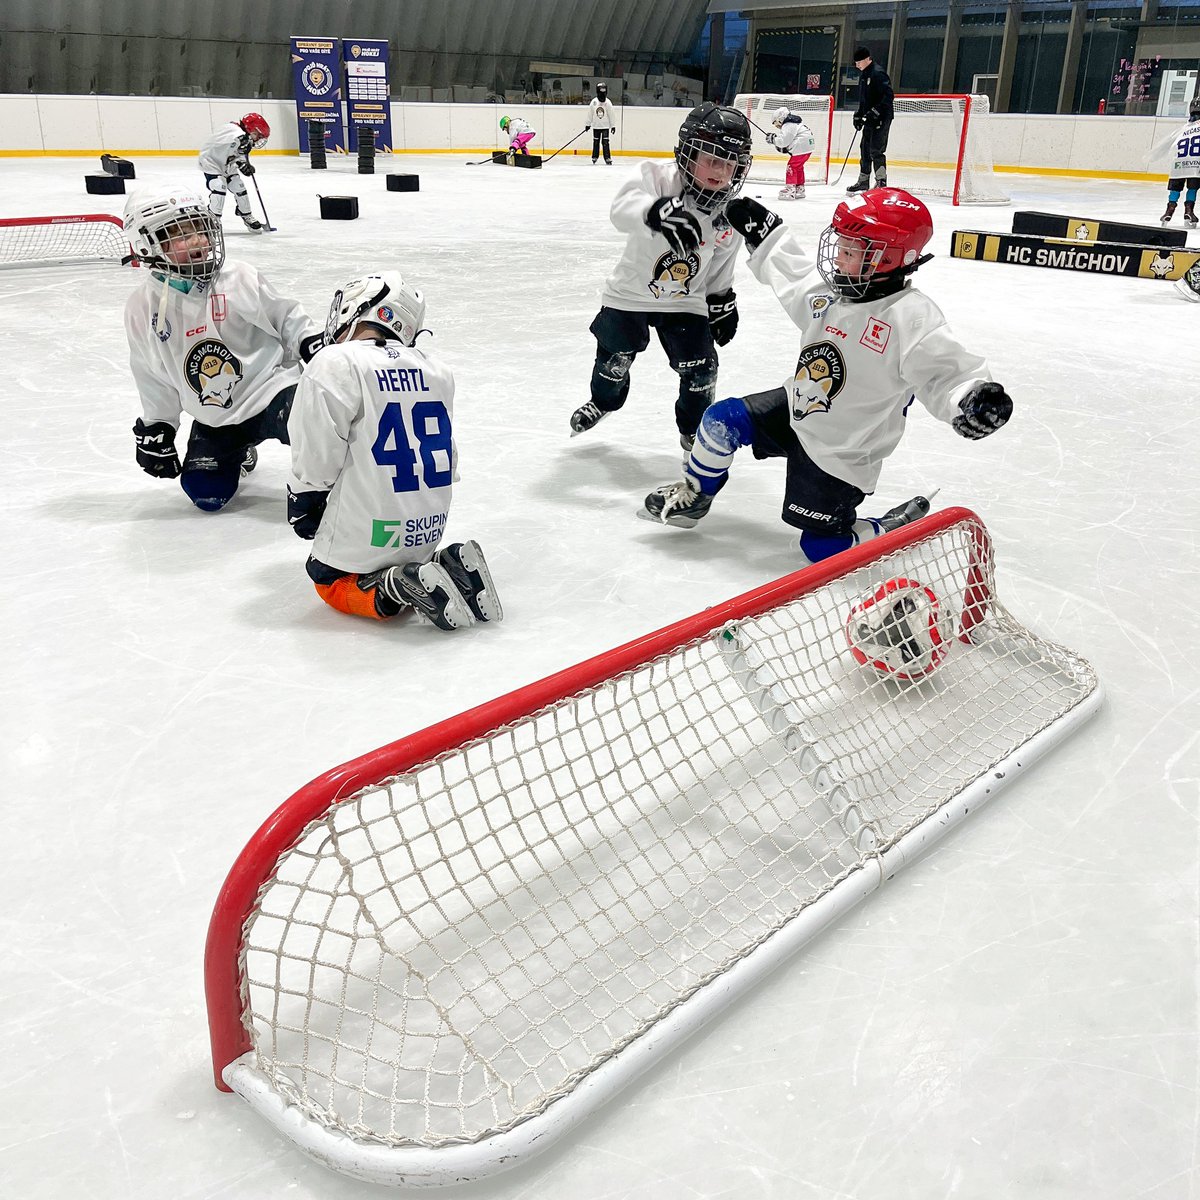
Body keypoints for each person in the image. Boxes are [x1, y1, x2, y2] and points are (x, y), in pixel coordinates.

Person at [639, 189, 1013, 567]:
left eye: (853, 251)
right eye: (841, 246)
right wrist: (763, 233)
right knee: (721, 421)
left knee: (822, 549)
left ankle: (886, 527)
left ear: (891, 258)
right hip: (796, 409)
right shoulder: (833, 296)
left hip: (842, 449)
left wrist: (971, 396)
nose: (839, 257)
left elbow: (946, 372)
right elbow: (795, 274)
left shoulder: (910, 316)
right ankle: (696, 494)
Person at [286, 272, 502, 630]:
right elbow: (450, 461)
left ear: (359, 309)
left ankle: (393, 586)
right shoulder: (436, 369)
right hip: (427, 529)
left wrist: (304, 497)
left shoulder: (337, 362)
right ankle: (447, 562)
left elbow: (317, 457)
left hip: (371, 534)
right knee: (403, 550)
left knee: (326, 580)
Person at [123, 185, 321, 513]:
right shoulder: (142, 308)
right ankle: (239, 448)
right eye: (180, 234)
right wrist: (159, 425)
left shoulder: (237, 276)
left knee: (314, 425)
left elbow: (285, 315)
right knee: (206, 493)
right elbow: (150, 372)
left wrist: (307, 339)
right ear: (147, 244)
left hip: (272, 391)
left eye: (200, 228)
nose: (198, 240)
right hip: (215, 413)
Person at [570, 102, 752, 446]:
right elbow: (621, 209)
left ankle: (693, 429)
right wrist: (655, 212)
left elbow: (721, 263)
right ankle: (603, 401)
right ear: (687, 153)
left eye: (730, 164)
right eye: (711, 159)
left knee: (701, 369)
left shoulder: (729, 213)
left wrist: (722, 299)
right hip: (630, 292)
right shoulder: (657, 178)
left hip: (686, 300)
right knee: (613, 359)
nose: (721, 171)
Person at [198, 113, 271, 231]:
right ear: (251, 129)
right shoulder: (232, 129)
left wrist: (243, 165)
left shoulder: (245, 139)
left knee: (239, 186)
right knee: (219, 186)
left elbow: (238, 154)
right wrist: (240, 139)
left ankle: (246, 214)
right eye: (258, 135)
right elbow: (230, 137)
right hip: (212, 162)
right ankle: (212, 218)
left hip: (227, 163)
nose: (258, 139)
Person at [848, 46, 894, 194]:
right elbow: (865, 99)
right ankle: (863, 181)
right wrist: (859, 114)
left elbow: (888, 97)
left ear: (868, 59)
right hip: (869, 119)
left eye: (859, 62)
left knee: (876, 149)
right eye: (856, 62)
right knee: (865, 149)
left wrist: (874, 112)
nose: (857, 65)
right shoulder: (864, 74)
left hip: (881, 118)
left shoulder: (878, 74)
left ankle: (881, 181)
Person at [1159, 95, 1200, 228]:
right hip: (1195, 164)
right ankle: (1189, 211)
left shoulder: (1184, 128)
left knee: (1176, 188)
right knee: (1192, 187)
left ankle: (1169, 211)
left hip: (1178, 164)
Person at [768, 106, 816, 201]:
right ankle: (800, 188)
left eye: (776, 122)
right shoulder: (795, 123)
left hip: (802, 147)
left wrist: (773, 140)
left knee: (792, 166)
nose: (776, 126)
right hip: (808, 147)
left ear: (781, 118)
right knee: (798, 167)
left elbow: (783, 141)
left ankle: (790, 190)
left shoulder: (788, 125)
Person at [588, 82, 617, 165]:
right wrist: (588, 124)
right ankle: (595, 156)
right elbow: (590, 114)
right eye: (601, 92)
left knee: (605, 143)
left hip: (605, 127)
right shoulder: (594, 102)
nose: (602, 94)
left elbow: (611, 115)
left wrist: (613, 126)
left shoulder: (608, 103)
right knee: (596, 142)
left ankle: (607, 157)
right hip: (596, 126)